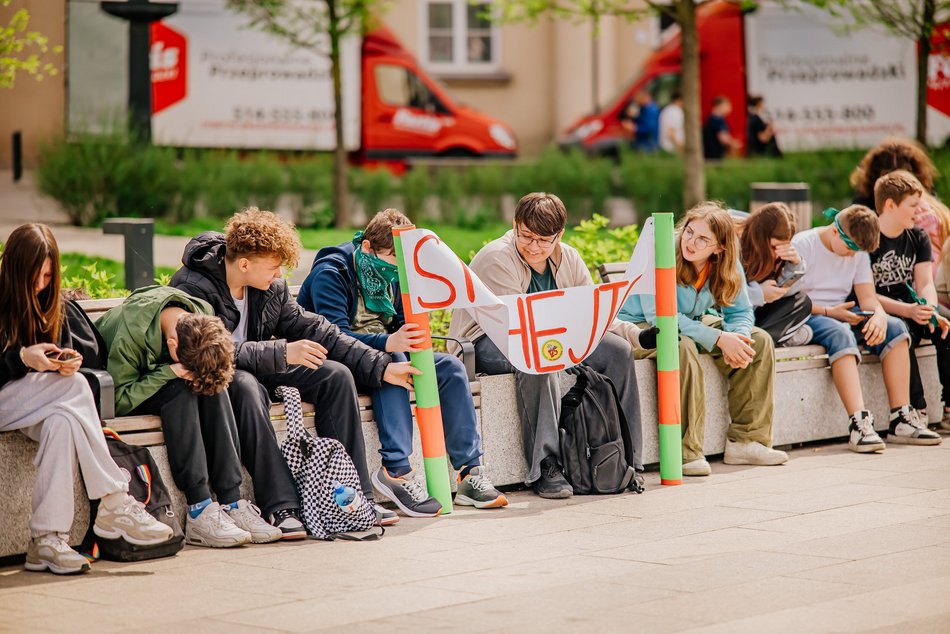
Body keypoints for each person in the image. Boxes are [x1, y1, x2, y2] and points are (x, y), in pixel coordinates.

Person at [170, 207, 420, 527]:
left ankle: (351, 495)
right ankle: (281, 505)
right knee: (246, 386)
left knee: (335, 375)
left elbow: (318, 329)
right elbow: (208, 349)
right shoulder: (193, 285)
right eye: (274, 267)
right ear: (244, 264)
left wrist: (381, 366)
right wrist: (283, 352)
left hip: (263, 365)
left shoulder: (270, 288)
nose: (279, 275)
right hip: (217, 372)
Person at [299, 209, 508, 515]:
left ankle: (469, 473)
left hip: (387, 357)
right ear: (368, 248)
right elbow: (334, 337)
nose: (400, 269)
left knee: (449, 368)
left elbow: (400, 324)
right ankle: (395, 472)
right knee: (392, 361)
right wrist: (389, 342)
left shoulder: (394, 273)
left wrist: (408, 336)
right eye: (393, 259)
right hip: (337, 364)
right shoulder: (331, 272)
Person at [450, 192, 651, 499]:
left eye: (544, 240)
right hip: (486, 341)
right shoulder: (497, 258)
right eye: (526, 236)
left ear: (560, 234)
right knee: (540, 360)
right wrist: (566, 347)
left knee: (617, 352)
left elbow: (593, 313)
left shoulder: (568, 257)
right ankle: (546, 466)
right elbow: (518, 327)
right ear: (515, 224)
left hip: (551, 337)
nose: (533, 246)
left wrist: (636, 336)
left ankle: (629, 459)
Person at [0, 224, 174, 575]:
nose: (41, 284)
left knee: (63, 421)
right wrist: (21, 358)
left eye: (48, 275)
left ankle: (46, 541)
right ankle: (114, 499)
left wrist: (63, 362)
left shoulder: (52, 303)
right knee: (77, 388)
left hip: (37, 404)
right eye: (34, 276)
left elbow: (67, 356)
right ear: (16, 268)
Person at [97, 285, 289, 547]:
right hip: (129, 388)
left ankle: (232, 501)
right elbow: (117, 399)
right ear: (172, 345)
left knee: (213, 388)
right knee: (182, 392)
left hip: (167, 377)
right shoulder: (131, 334)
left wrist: (187, 373)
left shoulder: (204, 314)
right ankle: (199, 509)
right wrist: (170, 373)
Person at [618, 202, 788, 476]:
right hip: (641, 326)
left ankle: (746, 441)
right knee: (680, 347)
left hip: (689, 321)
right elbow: (660, 317)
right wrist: (719, 338)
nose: (691, 243)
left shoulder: (726, 261)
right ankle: (686, 452)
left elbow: (741, 310)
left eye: (702, 240)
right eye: (689, 232)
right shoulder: (661, 249)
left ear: (719, 248)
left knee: (758, 342)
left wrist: (738, 339)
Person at [791, 204, 923, 453]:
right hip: (810, 313)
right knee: (839, 333)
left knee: (896, 328)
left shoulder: (859, 253)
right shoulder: (804, 245)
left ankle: (901, 418)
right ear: (834, 232)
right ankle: (859, 423)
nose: (854, 256)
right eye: (851, 248)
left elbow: (868, 298)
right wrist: (831, 312)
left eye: (859, 252)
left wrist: (880, 316)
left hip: (845, 312)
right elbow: (790, 301)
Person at [867, 171, 945, 444]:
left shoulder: (918, 237)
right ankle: (915, 410)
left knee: (946, 325)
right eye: (913, 205)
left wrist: (931, 309)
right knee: (903, 332)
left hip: (912, 305)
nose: (921, 211)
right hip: (882, 309)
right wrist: (909, 311)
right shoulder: (868, 238)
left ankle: (947, 406)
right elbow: (866, 294)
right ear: (890, 205)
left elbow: (924, 282)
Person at [739, 202, 812, 346]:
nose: (775, 254)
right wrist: (759, 293)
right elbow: (722, 293)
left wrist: (795, 264)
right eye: (773, 247)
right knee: (802, 332)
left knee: (803, 303)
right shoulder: (735, 244)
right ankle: (762, 343)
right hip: (731, 317)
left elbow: (787, 294)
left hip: (755, 318)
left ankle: (760, 343)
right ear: (761, 237)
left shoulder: (772, 256)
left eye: (782, 247)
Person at [702, 96, 741, 160]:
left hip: (712, 154)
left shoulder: (712, 118)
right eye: (727, 105)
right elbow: (722, 137)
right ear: (720, 105)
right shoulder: (716, 120)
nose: (729, 108)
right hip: (714, 155)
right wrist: (734, 143)